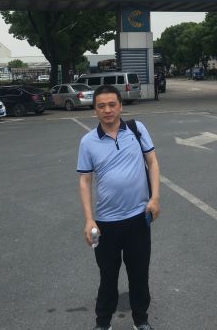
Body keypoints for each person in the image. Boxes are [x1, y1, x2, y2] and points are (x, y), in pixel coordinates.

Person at [77, 84, 160, 330]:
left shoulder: (137, 129)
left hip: (138, 219)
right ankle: (103, 323)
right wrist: (89, 220)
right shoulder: (88, 142)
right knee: (107, 277)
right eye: (101, 106)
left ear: (121, 106)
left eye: (112, 104)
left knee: (139, 274)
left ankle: (141, 320)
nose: (107, 110)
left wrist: (155, 198)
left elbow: (152, 162)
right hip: (105, 224)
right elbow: (84, 180)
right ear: (95, 110)